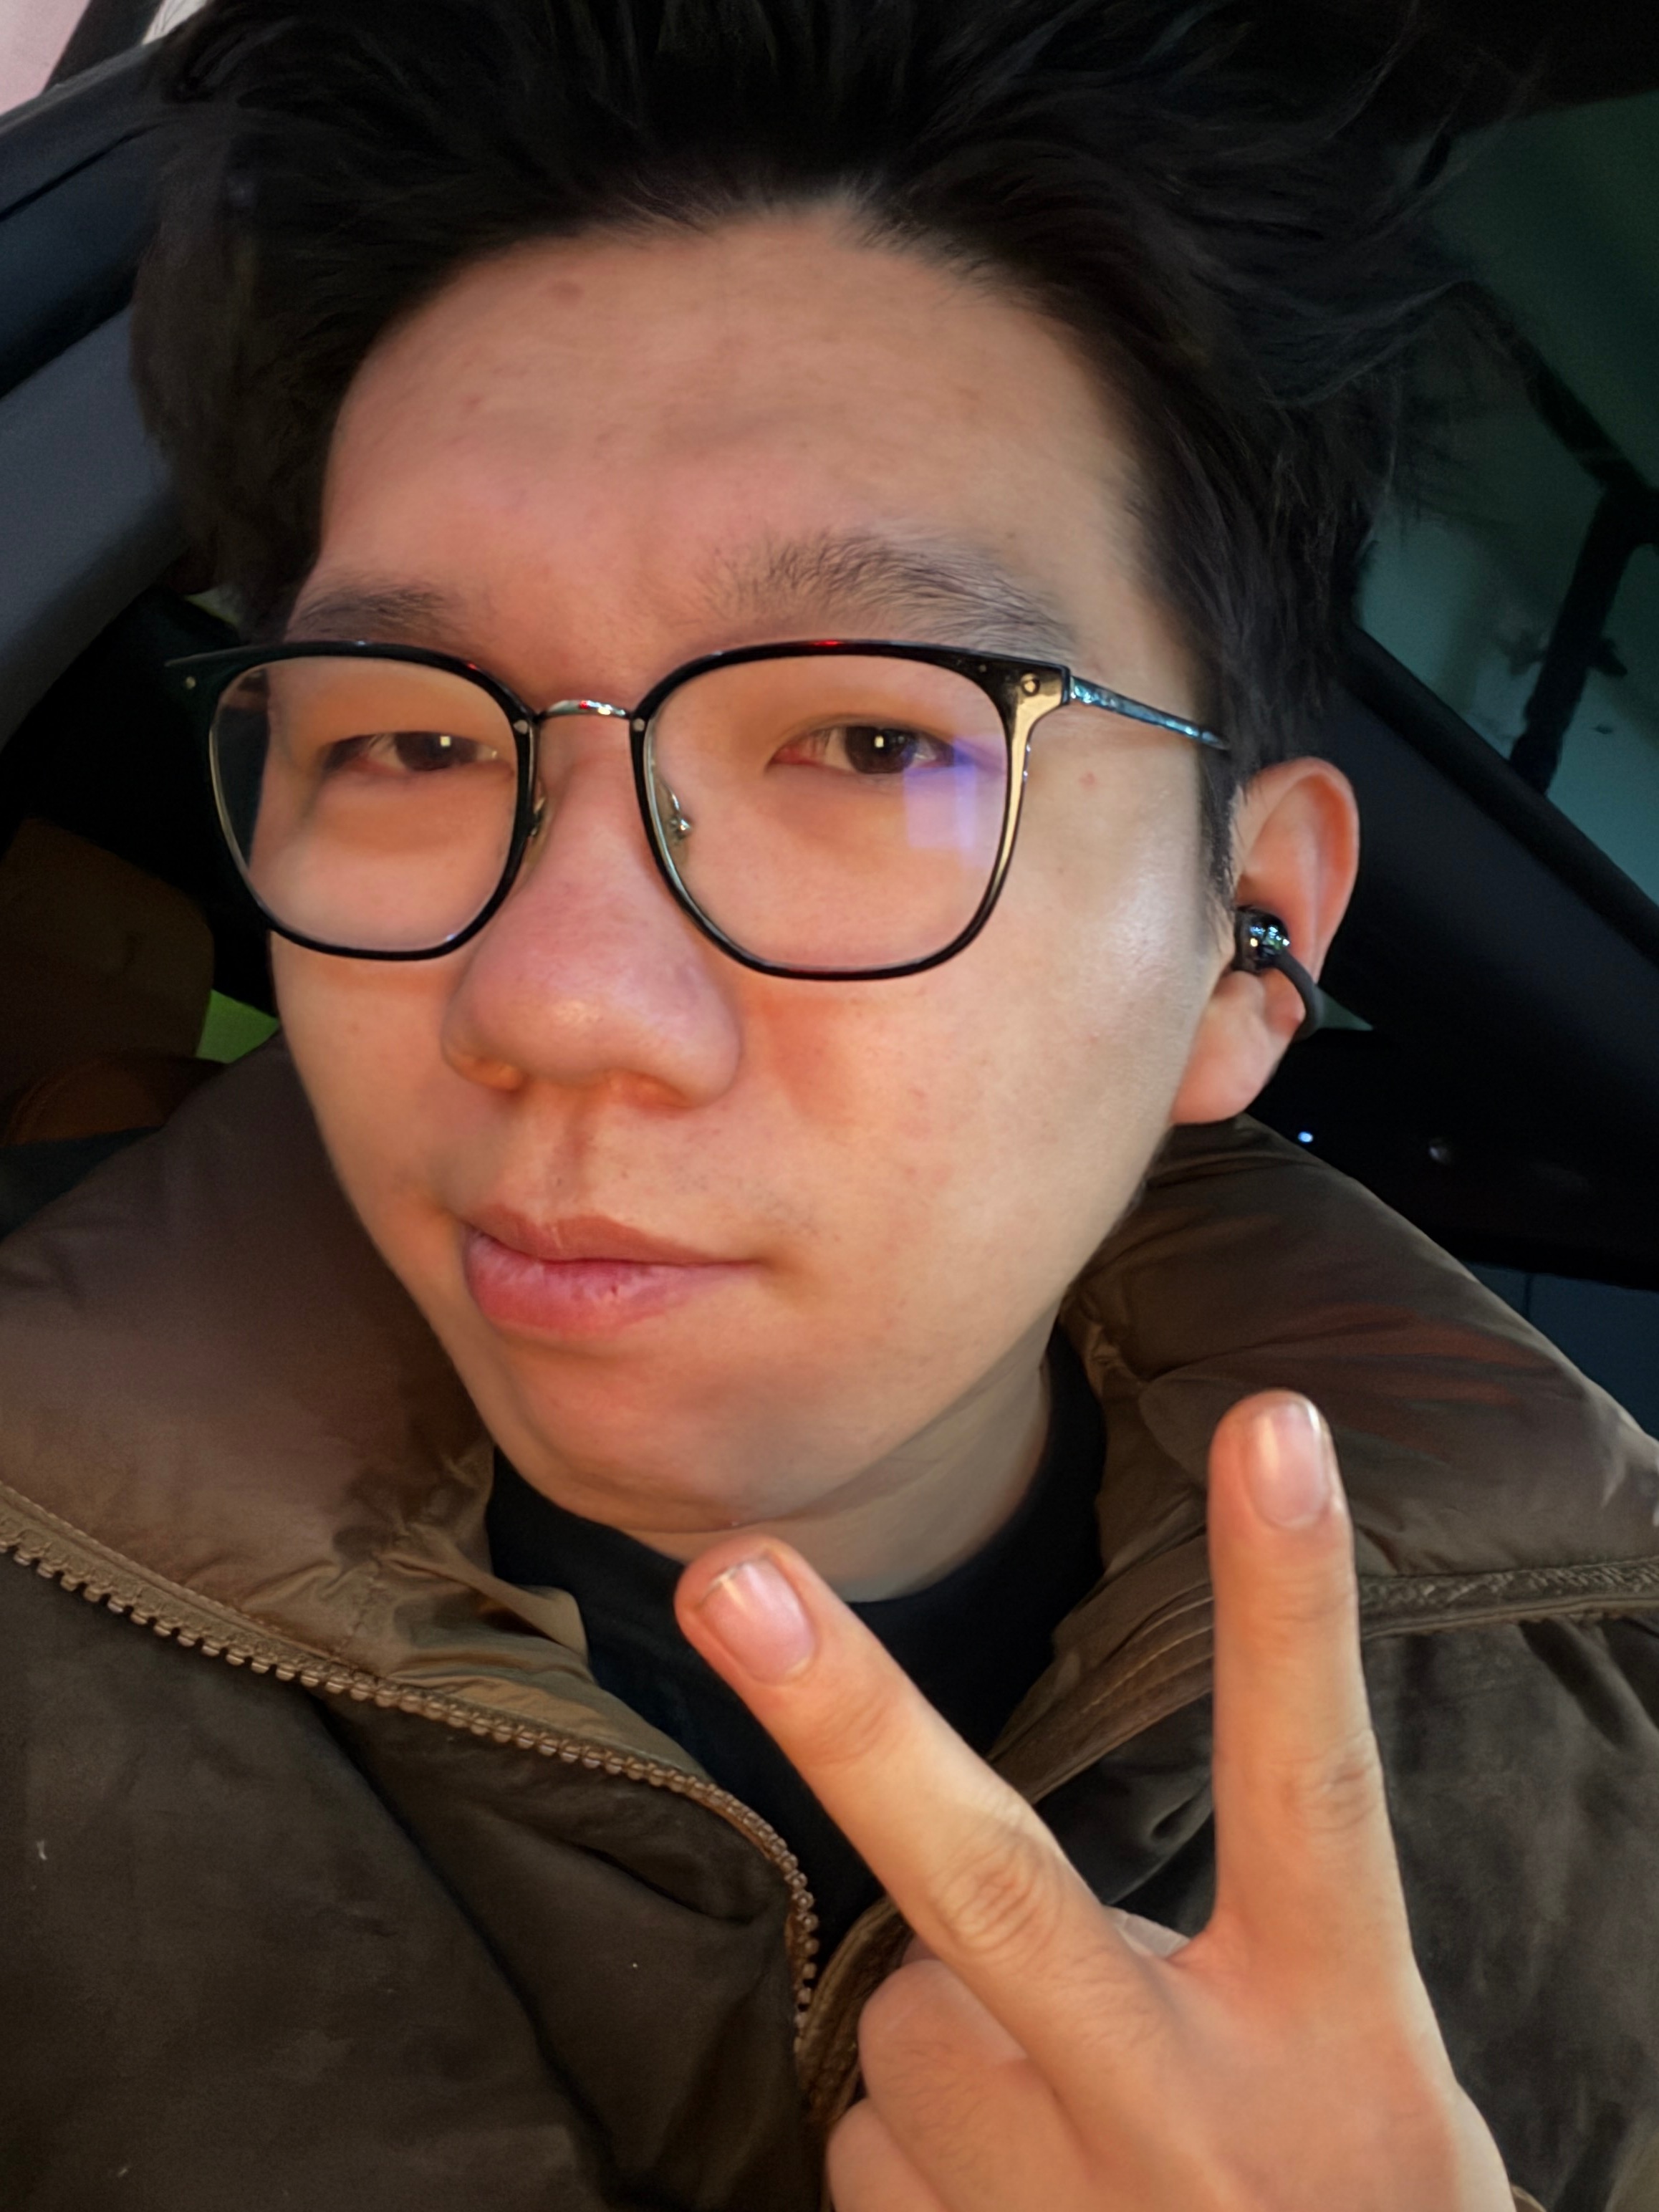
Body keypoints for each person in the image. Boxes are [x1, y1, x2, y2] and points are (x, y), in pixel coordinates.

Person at [1, 1, 1657, 2207]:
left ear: (1246, 943)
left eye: (870, 744)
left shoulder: (1606, 1722)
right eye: (406, 739)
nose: (554, 1000)